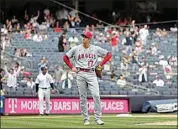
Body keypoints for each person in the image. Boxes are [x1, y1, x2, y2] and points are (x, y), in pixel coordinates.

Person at [63, 31, 112, 125]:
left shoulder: (95, 48)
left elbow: (109, 54)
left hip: (92, 73)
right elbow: (65, 57)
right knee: (83, 98)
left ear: (89, 39)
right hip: (80, 73)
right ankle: (86, 118)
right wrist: (71, 67)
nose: (83, 38)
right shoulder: (76, 48)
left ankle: (98, 118)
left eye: (85, 37)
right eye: (83, 37)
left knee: (96, 95)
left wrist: (101, 65)